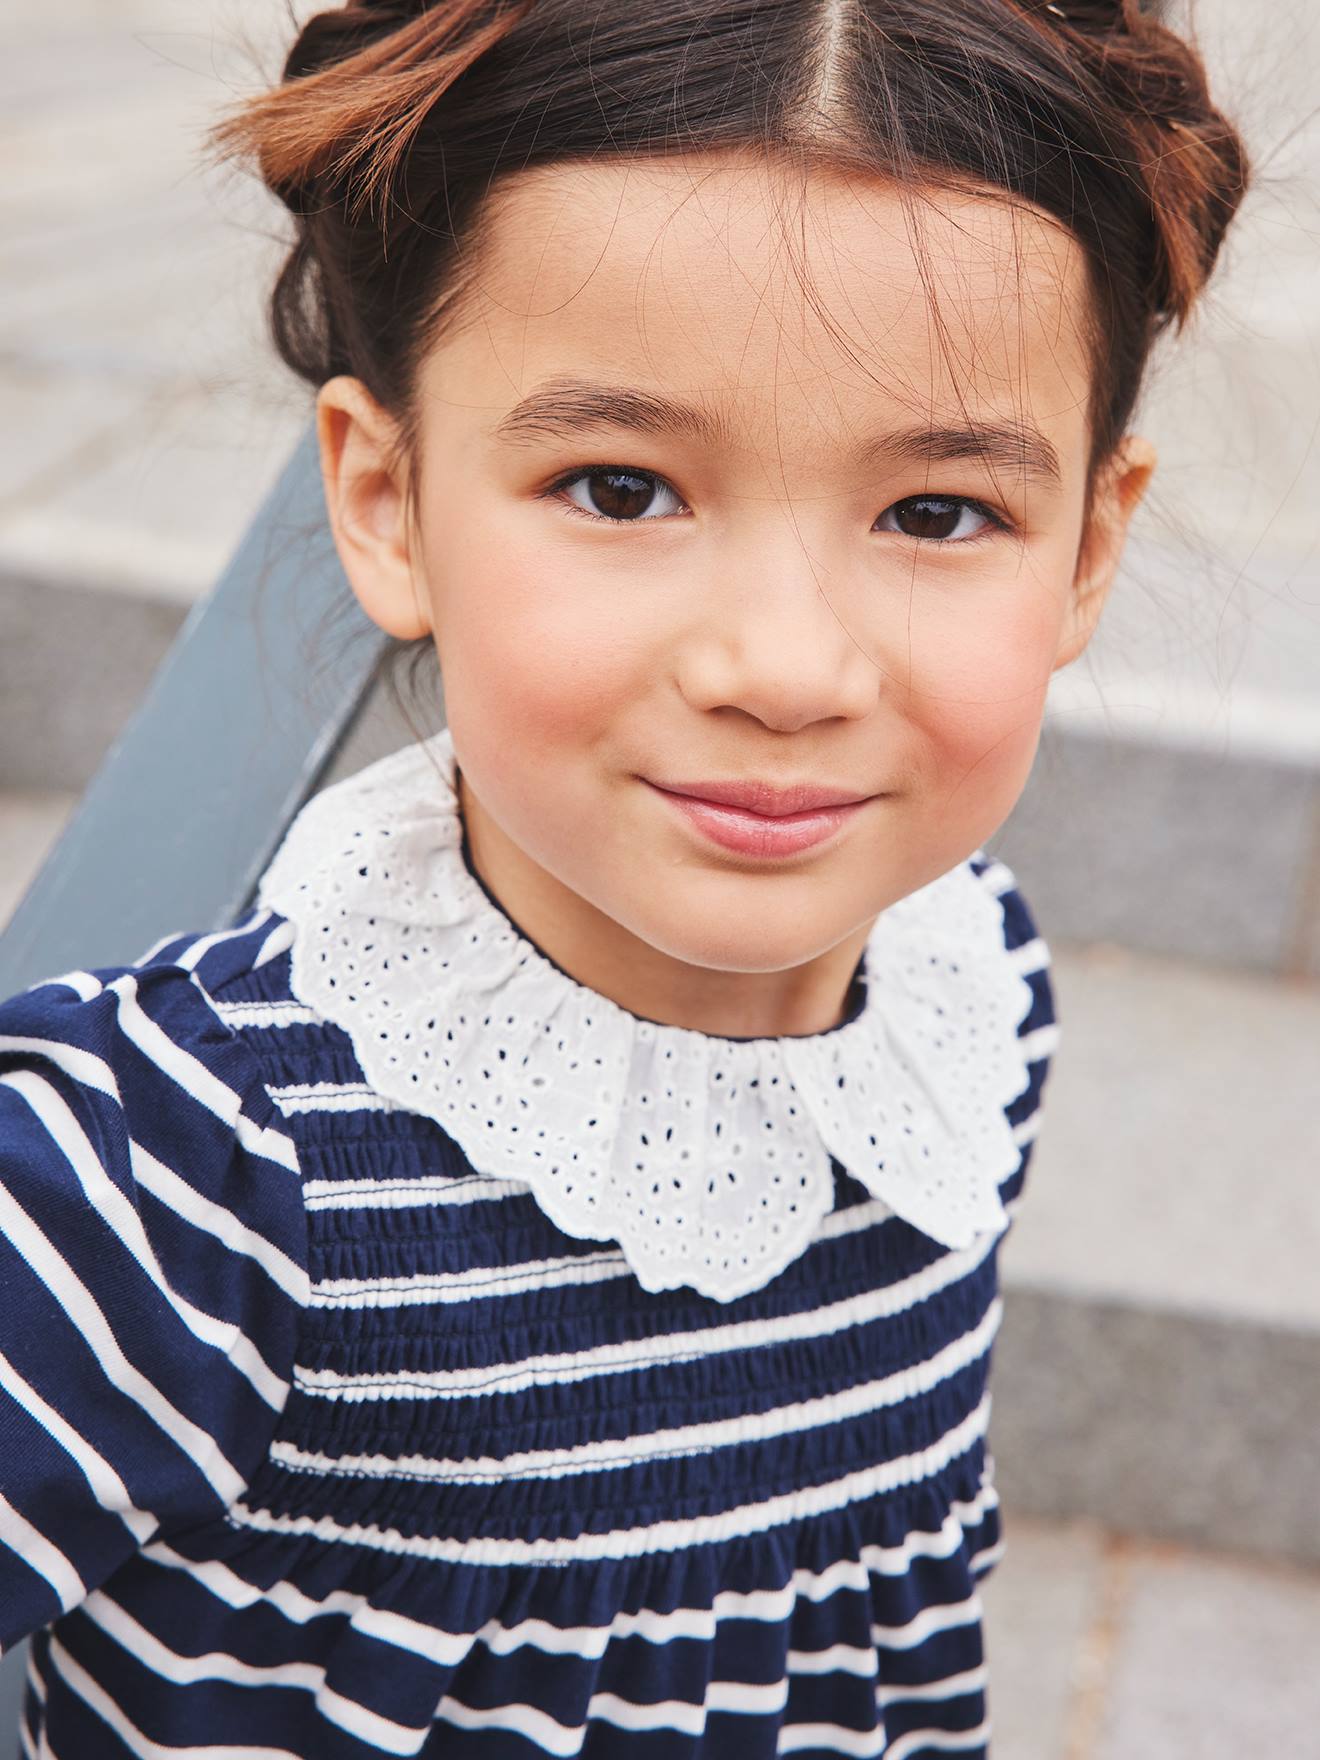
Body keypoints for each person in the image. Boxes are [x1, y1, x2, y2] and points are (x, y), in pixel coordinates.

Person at [0, 0, 1250, 1752]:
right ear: (386, 498)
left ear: (1090, 547)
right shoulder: (166, 1172)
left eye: (939, 514)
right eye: (619, 485)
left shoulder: (970, 1010)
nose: (786, 663)